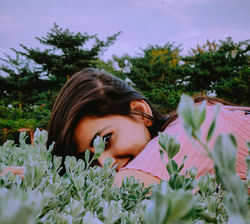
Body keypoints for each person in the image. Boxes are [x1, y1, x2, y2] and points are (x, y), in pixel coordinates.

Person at [1, 68, 250, 189]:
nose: (106, 163)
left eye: (106, 139)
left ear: (140, 112)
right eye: (90, 160)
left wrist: (33, 176)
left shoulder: (194, 126)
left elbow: (123, 188)